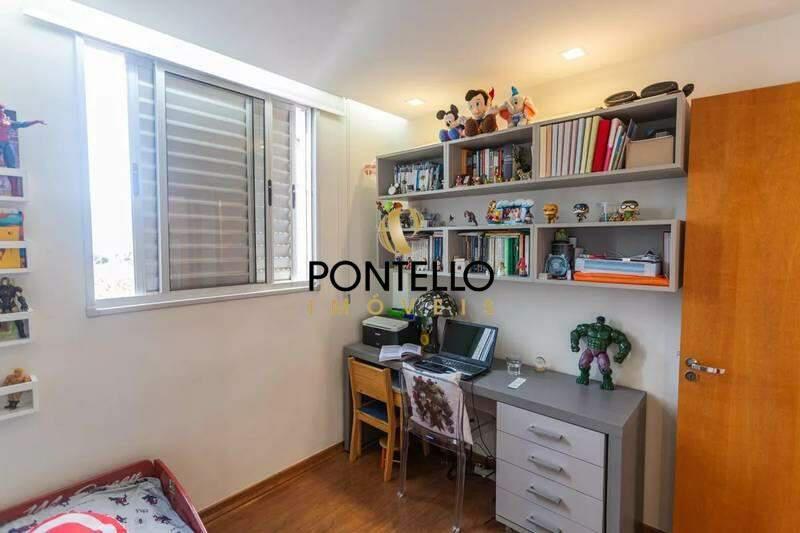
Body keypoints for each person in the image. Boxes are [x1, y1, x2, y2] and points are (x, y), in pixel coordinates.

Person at [0, 104, 45, 168]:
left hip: (6, 143)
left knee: (11, 162)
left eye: (2, 109)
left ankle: (12, 173)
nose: (1, 111)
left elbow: (22, 124)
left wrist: (36, 121)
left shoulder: (8, 121)